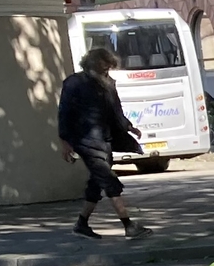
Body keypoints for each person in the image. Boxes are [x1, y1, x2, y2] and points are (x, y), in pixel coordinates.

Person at [56, 45, 146, 239]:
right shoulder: (74, 83)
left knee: (96, 184)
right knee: (109, 180)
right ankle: (129, 225)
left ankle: (82, 224)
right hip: (85, 140)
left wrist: (129, 127)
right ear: (93, 63)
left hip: (105, 139)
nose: (107, 70)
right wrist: (65, 140)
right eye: (104, 66)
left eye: (109, 67)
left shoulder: (108, 83)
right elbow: (64, 113)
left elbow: (116, 109)